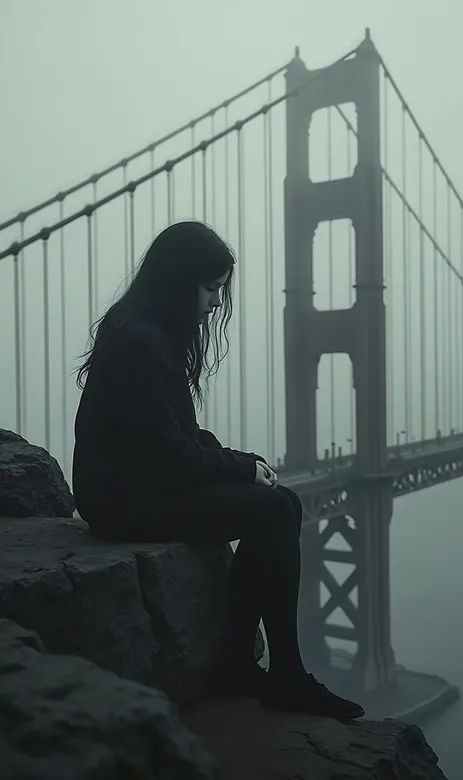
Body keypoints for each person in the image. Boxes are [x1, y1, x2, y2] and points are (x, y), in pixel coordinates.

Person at [72, 220, 364, 721]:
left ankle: (241, 663)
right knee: (272, 511)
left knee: (282, 503)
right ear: (178, 281)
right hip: (123, 501)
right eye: (210, 289)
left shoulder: (149, 332)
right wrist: (240, 470)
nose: (215, 302)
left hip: (141, 486)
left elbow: (178, 437)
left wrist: (242, 462)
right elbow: (168, 454)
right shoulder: (140, 343)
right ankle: (285, 675)